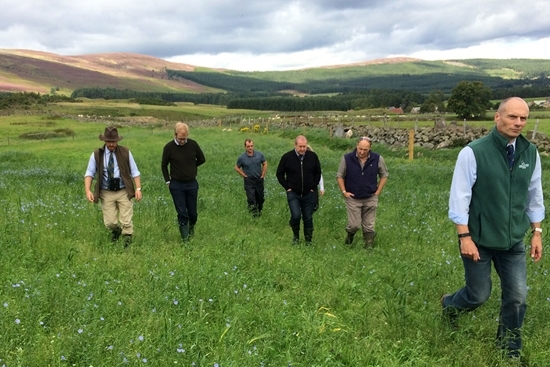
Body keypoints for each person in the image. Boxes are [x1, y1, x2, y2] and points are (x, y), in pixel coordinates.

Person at [444, 97, 544, 359]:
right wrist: (464, 236)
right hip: (479, 238)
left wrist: (537, 231)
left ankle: (509, 349)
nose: (519, 123)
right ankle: (450, 305)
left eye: (523, 118)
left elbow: (534, 195)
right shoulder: (473, 152)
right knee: (478, 295)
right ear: (497, 118)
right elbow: (460, 197)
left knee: (517, 297)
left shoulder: (529, 152)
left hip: (512, 241)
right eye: (513, 117)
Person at [84, 126, 142, 247]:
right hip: (106, 191)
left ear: (117, 141)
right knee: (110, 222)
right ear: (104, 141)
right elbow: (89, 173)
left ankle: (127, 244)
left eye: (113, 142)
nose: (111, 144)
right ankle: (116, 231)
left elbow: (135, 171)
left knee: (126, 220)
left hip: (123, 190)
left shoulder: (125, 152)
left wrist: (138, 188)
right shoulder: (96, 155)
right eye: (109, 142)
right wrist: (88, 190)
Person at [336, 136, 388, 248]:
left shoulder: (377, 159)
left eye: (365, 150)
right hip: (353, 197)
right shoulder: (347, 158)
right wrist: (344, 191)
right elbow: (340, 176)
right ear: (357, 145)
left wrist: (378, 191)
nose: (362, 152)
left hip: (370, 196)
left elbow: (384, 175)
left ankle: (368, 245)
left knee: (369, 225)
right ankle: (350, 237)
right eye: (360, 149)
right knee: (354, 225)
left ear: (370, 148)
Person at [161, 122, 206, 242]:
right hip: (176, 184)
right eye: (181, 138)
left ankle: (191, 229)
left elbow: (202, 159)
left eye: (185, 138)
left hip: (191, 183)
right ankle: (185, 241)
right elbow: (164, 165)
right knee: (182, 212)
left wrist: (192, 167)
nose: (182, 141)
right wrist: (168, 181)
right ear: (175, 134)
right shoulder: (168, 147)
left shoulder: (193, 144)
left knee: (193, 214)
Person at [276, 135, 321, 244]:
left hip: (308, 193)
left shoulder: (312, 156)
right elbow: (279, 173)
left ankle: (308, 241)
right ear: (295, 145)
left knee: (308, 217)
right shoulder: (287, 157)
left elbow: (318, 172)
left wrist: (313, 187)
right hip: (294, 193)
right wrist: (287, 187)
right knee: (295, 216)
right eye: (300, 146)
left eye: (304, 146)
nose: (302, 149)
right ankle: (296, 236)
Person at [234, 139, 268, 217]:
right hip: (249, 181)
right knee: (251, 198)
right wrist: (244, 175)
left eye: (251, 146)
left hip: (259, 179)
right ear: (245, 147)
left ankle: (259, 212)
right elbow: (236, 167)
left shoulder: (259, 155)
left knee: (260, 198)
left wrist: (263, 174)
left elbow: (265, 163)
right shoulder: (242, 158)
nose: (250, 148)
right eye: (248, 146)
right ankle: (254, 215)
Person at [307, 144, 325, 211]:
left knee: (315, 206)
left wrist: (322, 188)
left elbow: (319, 175)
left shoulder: (314, 162)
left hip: (312, 187)